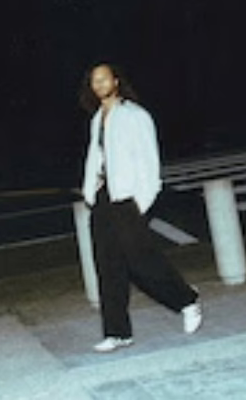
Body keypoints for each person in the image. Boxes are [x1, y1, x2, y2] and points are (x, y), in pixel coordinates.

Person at [80, 62, 202, 353]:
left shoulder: (135, 115)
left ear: (116, 81)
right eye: (94, 81)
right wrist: (91, 190)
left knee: (141, 261)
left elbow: (149, 162)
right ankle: (117, 332)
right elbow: (98, 157)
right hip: (103, 198)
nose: (99, 85)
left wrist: (141, 202)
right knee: (108, 266)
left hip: (127, 199)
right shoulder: (97, 118)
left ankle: (187, 300)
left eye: (104, 79)